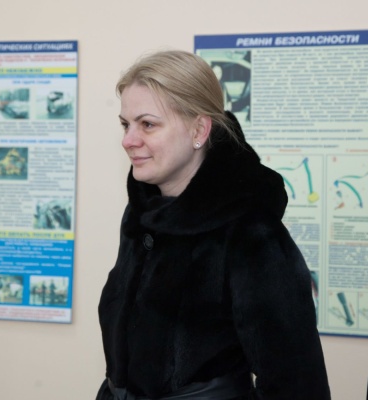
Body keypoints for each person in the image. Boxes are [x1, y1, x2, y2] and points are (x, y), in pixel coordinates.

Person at [96, 50, 331, 400]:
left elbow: (296, 384)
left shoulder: (250, 232)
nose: (128, 140)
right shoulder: (141, 215)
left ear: (199, 130)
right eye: (125, 124)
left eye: (148, 124)